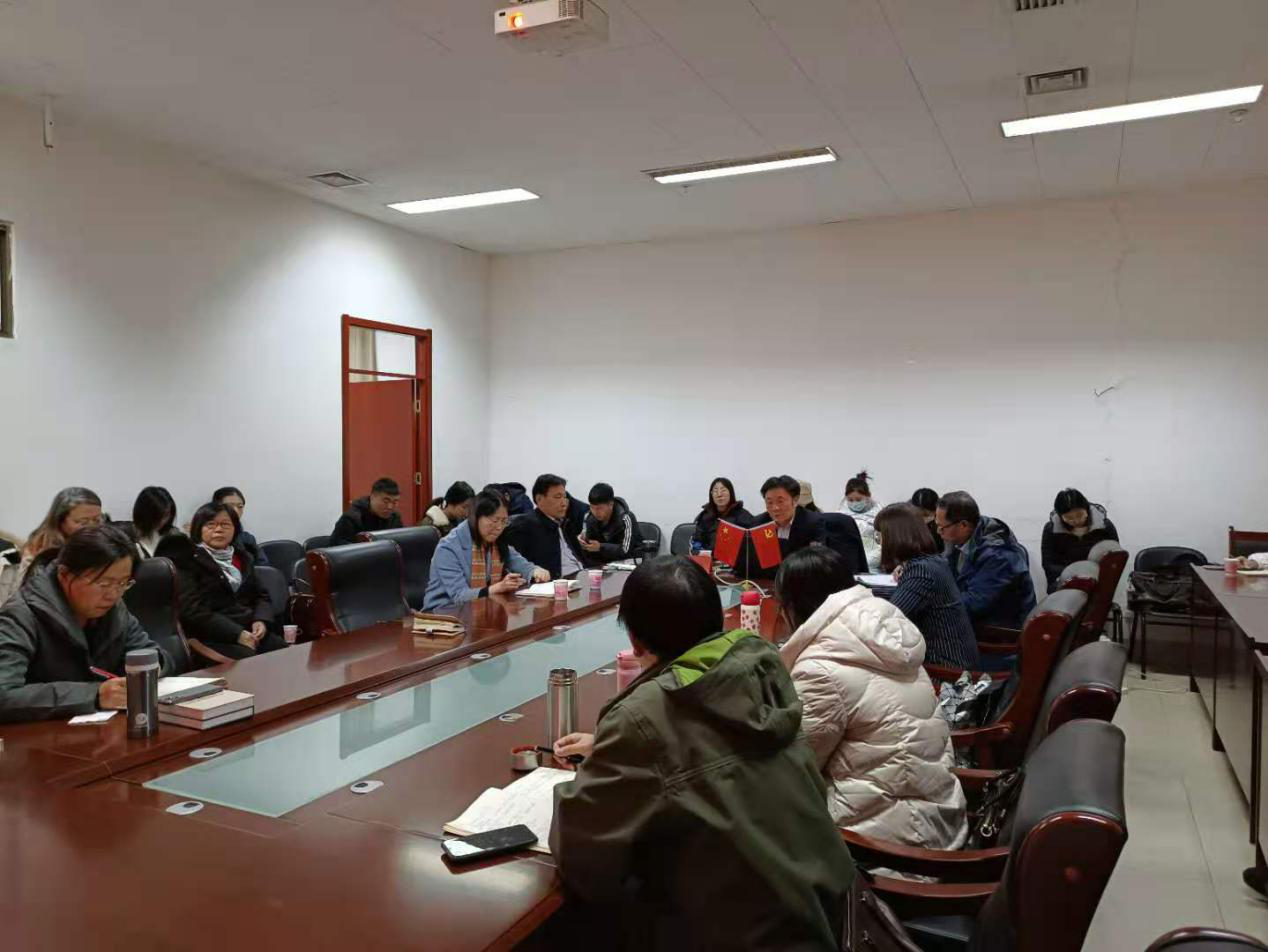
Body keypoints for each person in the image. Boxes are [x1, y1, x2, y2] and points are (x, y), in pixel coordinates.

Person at [550, 556, 854, 949]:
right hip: (826, 912)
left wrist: (593, 767)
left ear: (635, 642)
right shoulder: (760, 667)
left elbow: (583, 858)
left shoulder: (644, 716)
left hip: (742, 938)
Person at [774, 547, 968, 850]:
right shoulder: (884, 634)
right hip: (938, 815)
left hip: (890, 847)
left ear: (792, 606)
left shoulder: (821, 669)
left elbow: (795, 768)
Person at [0, 524, 173, 722]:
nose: (113, 594)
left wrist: (153, 666)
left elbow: (148, 652)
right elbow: (4, 694)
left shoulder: (113, 608)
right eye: (103, 583)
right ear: (64, 575)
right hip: (38, 733)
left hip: (106, 727)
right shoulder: (20, 616)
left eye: (123, 583)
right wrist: (94, 695)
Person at [157, 503, 284, 659]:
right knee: (247, 659)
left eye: (225, 524)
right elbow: (192, 610)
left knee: (281, 650)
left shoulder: (243, 557)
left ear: (235, 529)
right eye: (210, 525)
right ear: (198, 529)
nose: (218, 530)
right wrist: (237, 634)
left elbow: (261, 595)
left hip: (249, 630)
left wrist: (260, 620)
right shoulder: (187, 560)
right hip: (211, 636)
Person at [875, 504, 980, 669]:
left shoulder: (921, 572)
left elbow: (888, 622)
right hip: (954, 664)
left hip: (946, 673)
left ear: (894, 537)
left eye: (881, 536)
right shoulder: (932, 561)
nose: (880, 543)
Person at [423, 491, 548, 611]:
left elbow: (517, 562)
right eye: (494, 520)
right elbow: (459, 596)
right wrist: (497, 588)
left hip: (482, 609)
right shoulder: (448, 547)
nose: (499, 527)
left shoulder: (496, 542)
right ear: (476, 517)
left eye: (504, 521)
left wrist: (535, 571)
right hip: (443, 614)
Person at [937, 491, 1037, 629]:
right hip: (980, 619)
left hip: (1001, 629)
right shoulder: (965, 537)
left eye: (942, 527)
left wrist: (934, 603)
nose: (938, 531)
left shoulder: (998, 556)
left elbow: (974, 603)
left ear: (963, 525)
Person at [504, 475, 586, 579]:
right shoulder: (524, 526)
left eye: (564, 497)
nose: (564, 503)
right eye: (558, 497)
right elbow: (515, 565)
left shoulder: (565, 523)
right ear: (539, 499)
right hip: (558, 582)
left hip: (581, 574)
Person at [746, 475, 826, 578]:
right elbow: (751, 562)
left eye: (780, 501)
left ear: (795, 500)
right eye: (769, 502)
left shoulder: (812, 522)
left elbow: (817, 562)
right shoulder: (759, 523)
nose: (775, 508)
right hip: (767, 581)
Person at [1040, 488, 1119, 590]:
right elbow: (1049, 564)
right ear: (1060, 516)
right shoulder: (1051, 530)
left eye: (1079, 515)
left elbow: (1116, 557)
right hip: (1065, 580)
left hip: (1098, 578)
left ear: (1086, 509)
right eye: (1069, 518)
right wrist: (1074, 574)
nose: (1076, 520)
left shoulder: (1104, 526)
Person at [578, 483, 644, 566]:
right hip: (604, 564)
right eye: (592, 507)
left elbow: (625, 550)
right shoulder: (590, 517)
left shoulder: (626, 518)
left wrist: (600, 547)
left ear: (611, 505)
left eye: (599, 508)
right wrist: (584, 543)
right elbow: (591, 549)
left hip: (630, 563)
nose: (595, 512)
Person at [329, 477, 403, 546]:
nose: (390, 507)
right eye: (385, 501)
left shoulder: (395, 518)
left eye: (395, 502)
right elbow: (337, 550)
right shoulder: (351, 519)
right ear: (372, 497)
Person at [690, 477, 752, 551]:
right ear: (711, 494)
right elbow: (697, 541)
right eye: (715, 491)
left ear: (731, 492)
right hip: (709, 556)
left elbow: (751, 542)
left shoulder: (743, 515)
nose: (719, 494)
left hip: (735, 557)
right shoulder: (705, 516)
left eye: (723, 490)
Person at [212, 487, 268, 565]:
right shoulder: (207, 537)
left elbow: (264, 566)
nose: (236, 511)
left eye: (240, 506)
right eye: (229, 506)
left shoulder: (247, 539)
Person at [840, 471, 882, 572]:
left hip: (874, 561)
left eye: (858, 500)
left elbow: (882, 540)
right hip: (849, 560)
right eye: (850, 500)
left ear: (868, 496)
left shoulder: (879, 513)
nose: (854, 503)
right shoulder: (840, 515)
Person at [130, 486, 181, 559]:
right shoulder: (128, 539)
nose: (161, 521)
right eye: (156, 516)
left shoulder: (174, 536)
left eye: (166, 515)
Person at [910, 487, 943, 553]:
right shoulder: (907, 522)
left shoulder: (943, 523)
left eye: (926, 515)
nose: (923, 519)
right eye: (919, 515)